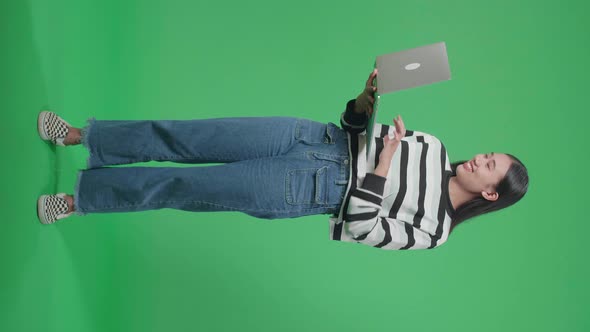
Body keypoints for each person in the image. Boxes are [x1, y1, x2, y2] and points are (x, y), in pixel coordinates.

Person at [36, 69, 529, 250]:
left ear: (490, 193)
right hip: (310, 136)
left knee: (185, 187)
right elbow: (358, 126)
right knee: (188, 136)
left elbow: (361, 226)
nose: (478, 158)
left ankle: (80, 199)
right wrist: (364, 100)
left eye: (488, 166)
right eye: (486, 154)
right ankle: (82, 135)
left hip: (308, 188)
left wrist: (383, 165)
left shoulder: (434, 231)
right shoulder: (435, 147)